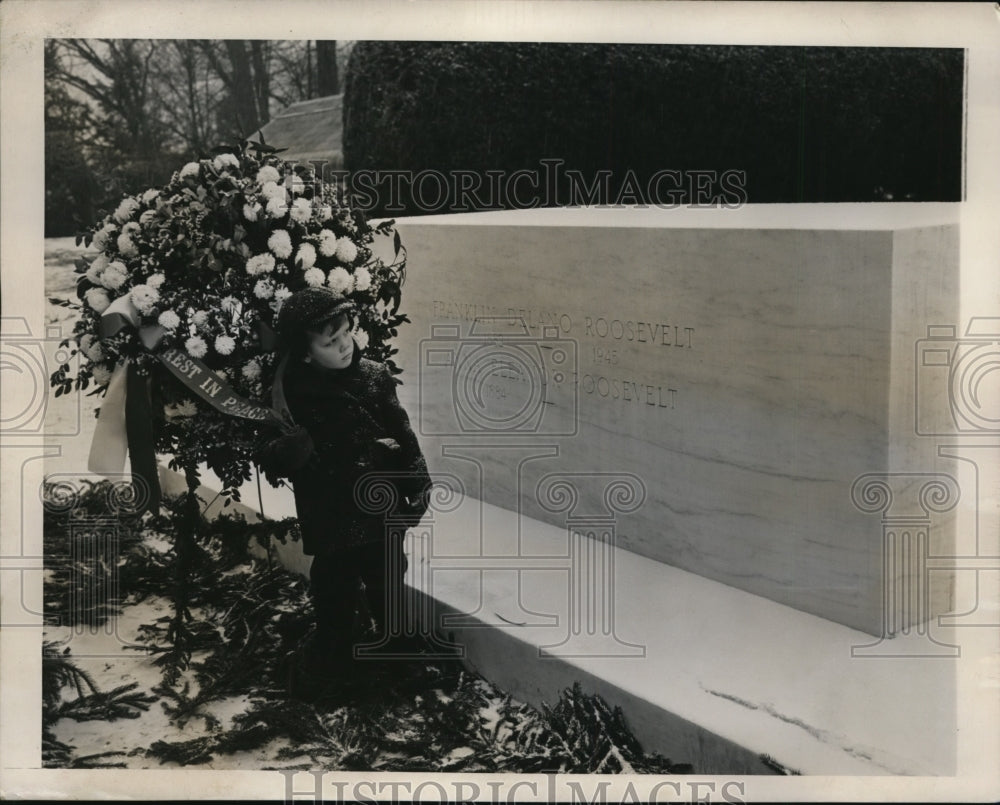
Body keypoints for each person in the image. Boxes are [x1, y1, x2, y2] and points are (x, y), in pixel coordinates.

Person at [265, 286, 431, 682]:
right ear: (306, 353)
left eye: (346, 334)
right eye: (330, 342)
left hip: (380, 507)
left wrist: (417, 488)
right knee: (333, 590)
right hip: (330, 514)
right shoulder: (291, 394)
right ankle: (335, 662)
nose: (344, 346)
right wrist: (291, 451)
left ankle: (400, 658)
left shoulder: (373, 376)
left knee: (388, 584)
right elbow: (270, 456)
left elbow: (403, 435)